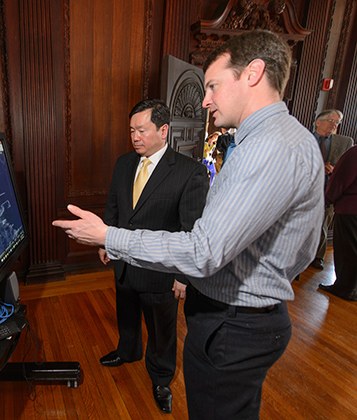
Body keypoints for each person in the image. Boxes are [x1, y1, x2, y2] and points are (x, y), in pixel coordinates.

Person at [52, 29, 324, 420]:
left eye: (212, 84)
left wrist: (108, 236)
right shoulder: (279, 140)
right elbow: (303, 249)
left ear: (252, 73)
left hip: (233, 324)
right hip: (238, 315)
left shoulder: (269, 148)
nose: (204, 99)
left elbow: (204, 251)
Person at [98, 99, 209, 414]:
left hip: (162, 272)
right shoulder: (123, 163)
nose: (135, 136)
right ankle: (128, 351)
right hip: (123, 262)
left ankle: (161, 378)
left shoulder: (190, 172)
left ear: (163, 130)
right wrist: (106, 240)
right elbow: (115, 207)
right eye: (131, 130)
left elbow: (193, 232)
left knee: (162, 331)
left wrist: (183, 275)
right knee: (127, 313)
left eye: (142, 130)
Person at [311, 110, 354, 270]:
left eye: (337, 122)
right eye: (331, 120)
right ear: (318, 122)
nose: (334, 125)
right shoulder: (305, 139)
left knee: (323, 224)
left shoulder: (345, 142)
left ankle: (318, 257)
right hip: (305, 189)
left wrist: (334, 169)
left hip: (328, 190)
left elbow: (347, 168)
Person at [319, 145, 357, 300]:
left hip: (351, 210)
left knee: (347, 250)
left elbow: (339, 181)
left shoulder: (354, 153)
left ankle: (345, 289)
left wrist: (326, 200)